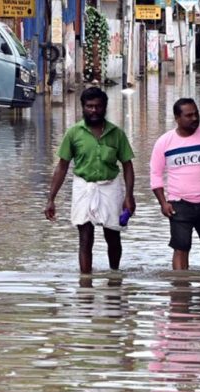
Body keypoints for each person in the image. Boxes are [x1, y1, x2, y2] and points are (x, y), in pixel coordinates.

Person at [45, 86, 135, 274]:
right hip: (83, 187)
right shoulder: (74, 133)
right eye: (89, 106)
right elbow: (62, 166)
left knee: (113, 236)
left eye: (98, 106)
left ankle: (114, 276)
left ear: (105, 107)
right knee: (85, 237)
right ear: (83, 108)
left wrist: (129, 196)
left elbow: (127, 165)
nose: (94, 110)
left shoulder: (116, 134)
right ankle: (85, 283)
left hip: (110, 187)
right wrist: (51, 199)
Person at [150, 98, 200, 271]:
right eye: (189, 115)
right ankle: (180, 290)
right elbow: (155, 174)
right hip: (178, 204)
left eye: (196, 114)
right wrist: (163, 203)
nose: (194, 118)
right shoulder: (164, 142)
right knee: (181, 248)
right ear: (177, 118)